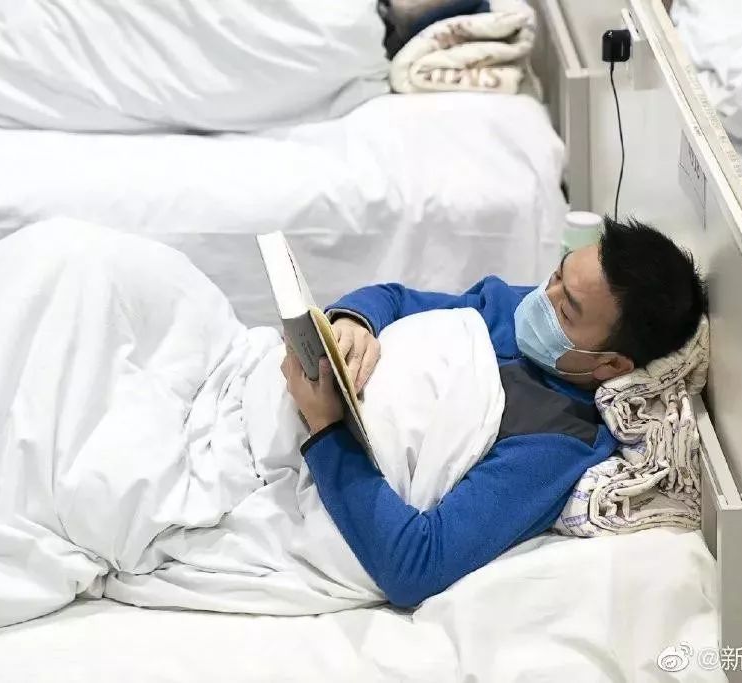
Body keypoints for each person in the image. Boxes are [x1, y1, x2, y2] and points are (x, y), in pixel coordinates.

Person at [280, 217, 708, 607]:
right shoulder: (512, 307)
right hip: (279, 392)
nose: (541, 298)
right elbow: (393, 299)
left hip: (306, 456)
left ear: (611, 365)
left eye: (564, 310)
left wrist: (326, 429)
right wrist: (354, 323)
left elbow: (415, 567)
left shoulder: (554, 441)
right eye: (556, 276)